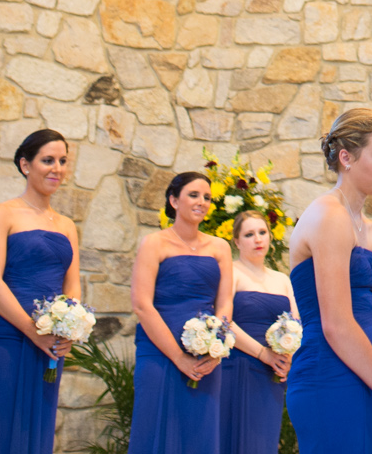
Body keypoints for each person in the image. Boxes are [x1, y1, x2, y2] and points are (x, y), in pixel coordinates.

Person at [287, 110, 372, 454]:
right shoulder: (328, 215)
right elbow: (337, 325)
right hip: (329, 377)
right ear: (346, 157)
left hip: (371, 379)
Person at [0, 128, 83, 454]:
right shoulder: (2, 213)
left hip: (50, 342)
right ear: (25, 164)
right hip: (4, 337)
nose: (57, 168)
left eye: (62, 161)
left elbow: (71, 282)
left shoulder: (66, 226)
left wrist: (68, 326)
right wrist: (33, 331)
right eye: (48, 160)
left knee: (37, 427)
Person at [127, 171, 233, 453]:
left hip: (205, 356)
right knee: (154, 427)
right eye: (194, 195)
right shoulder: (154, 243)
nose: (202, 202)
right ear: (174, 200)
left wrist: (216, 347)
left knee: (199, 431)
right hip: (159, 352)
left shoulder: (220, 248)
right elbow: (141, 304)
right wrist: (178, 356)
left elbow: (224, 303)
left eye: (207, 197)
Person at [221, 210, 298, 454]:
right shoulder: (231, 272)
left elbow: (297, 324)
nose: (258, 239)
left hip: (272, 372)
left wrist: (289, 359)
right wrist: (263, 354)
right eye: (249, 234)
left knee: (263, 440)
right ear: (236, 242)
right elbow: (225, 321)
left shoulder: (283, 279)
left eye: (262, 232)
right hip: (238, 366)